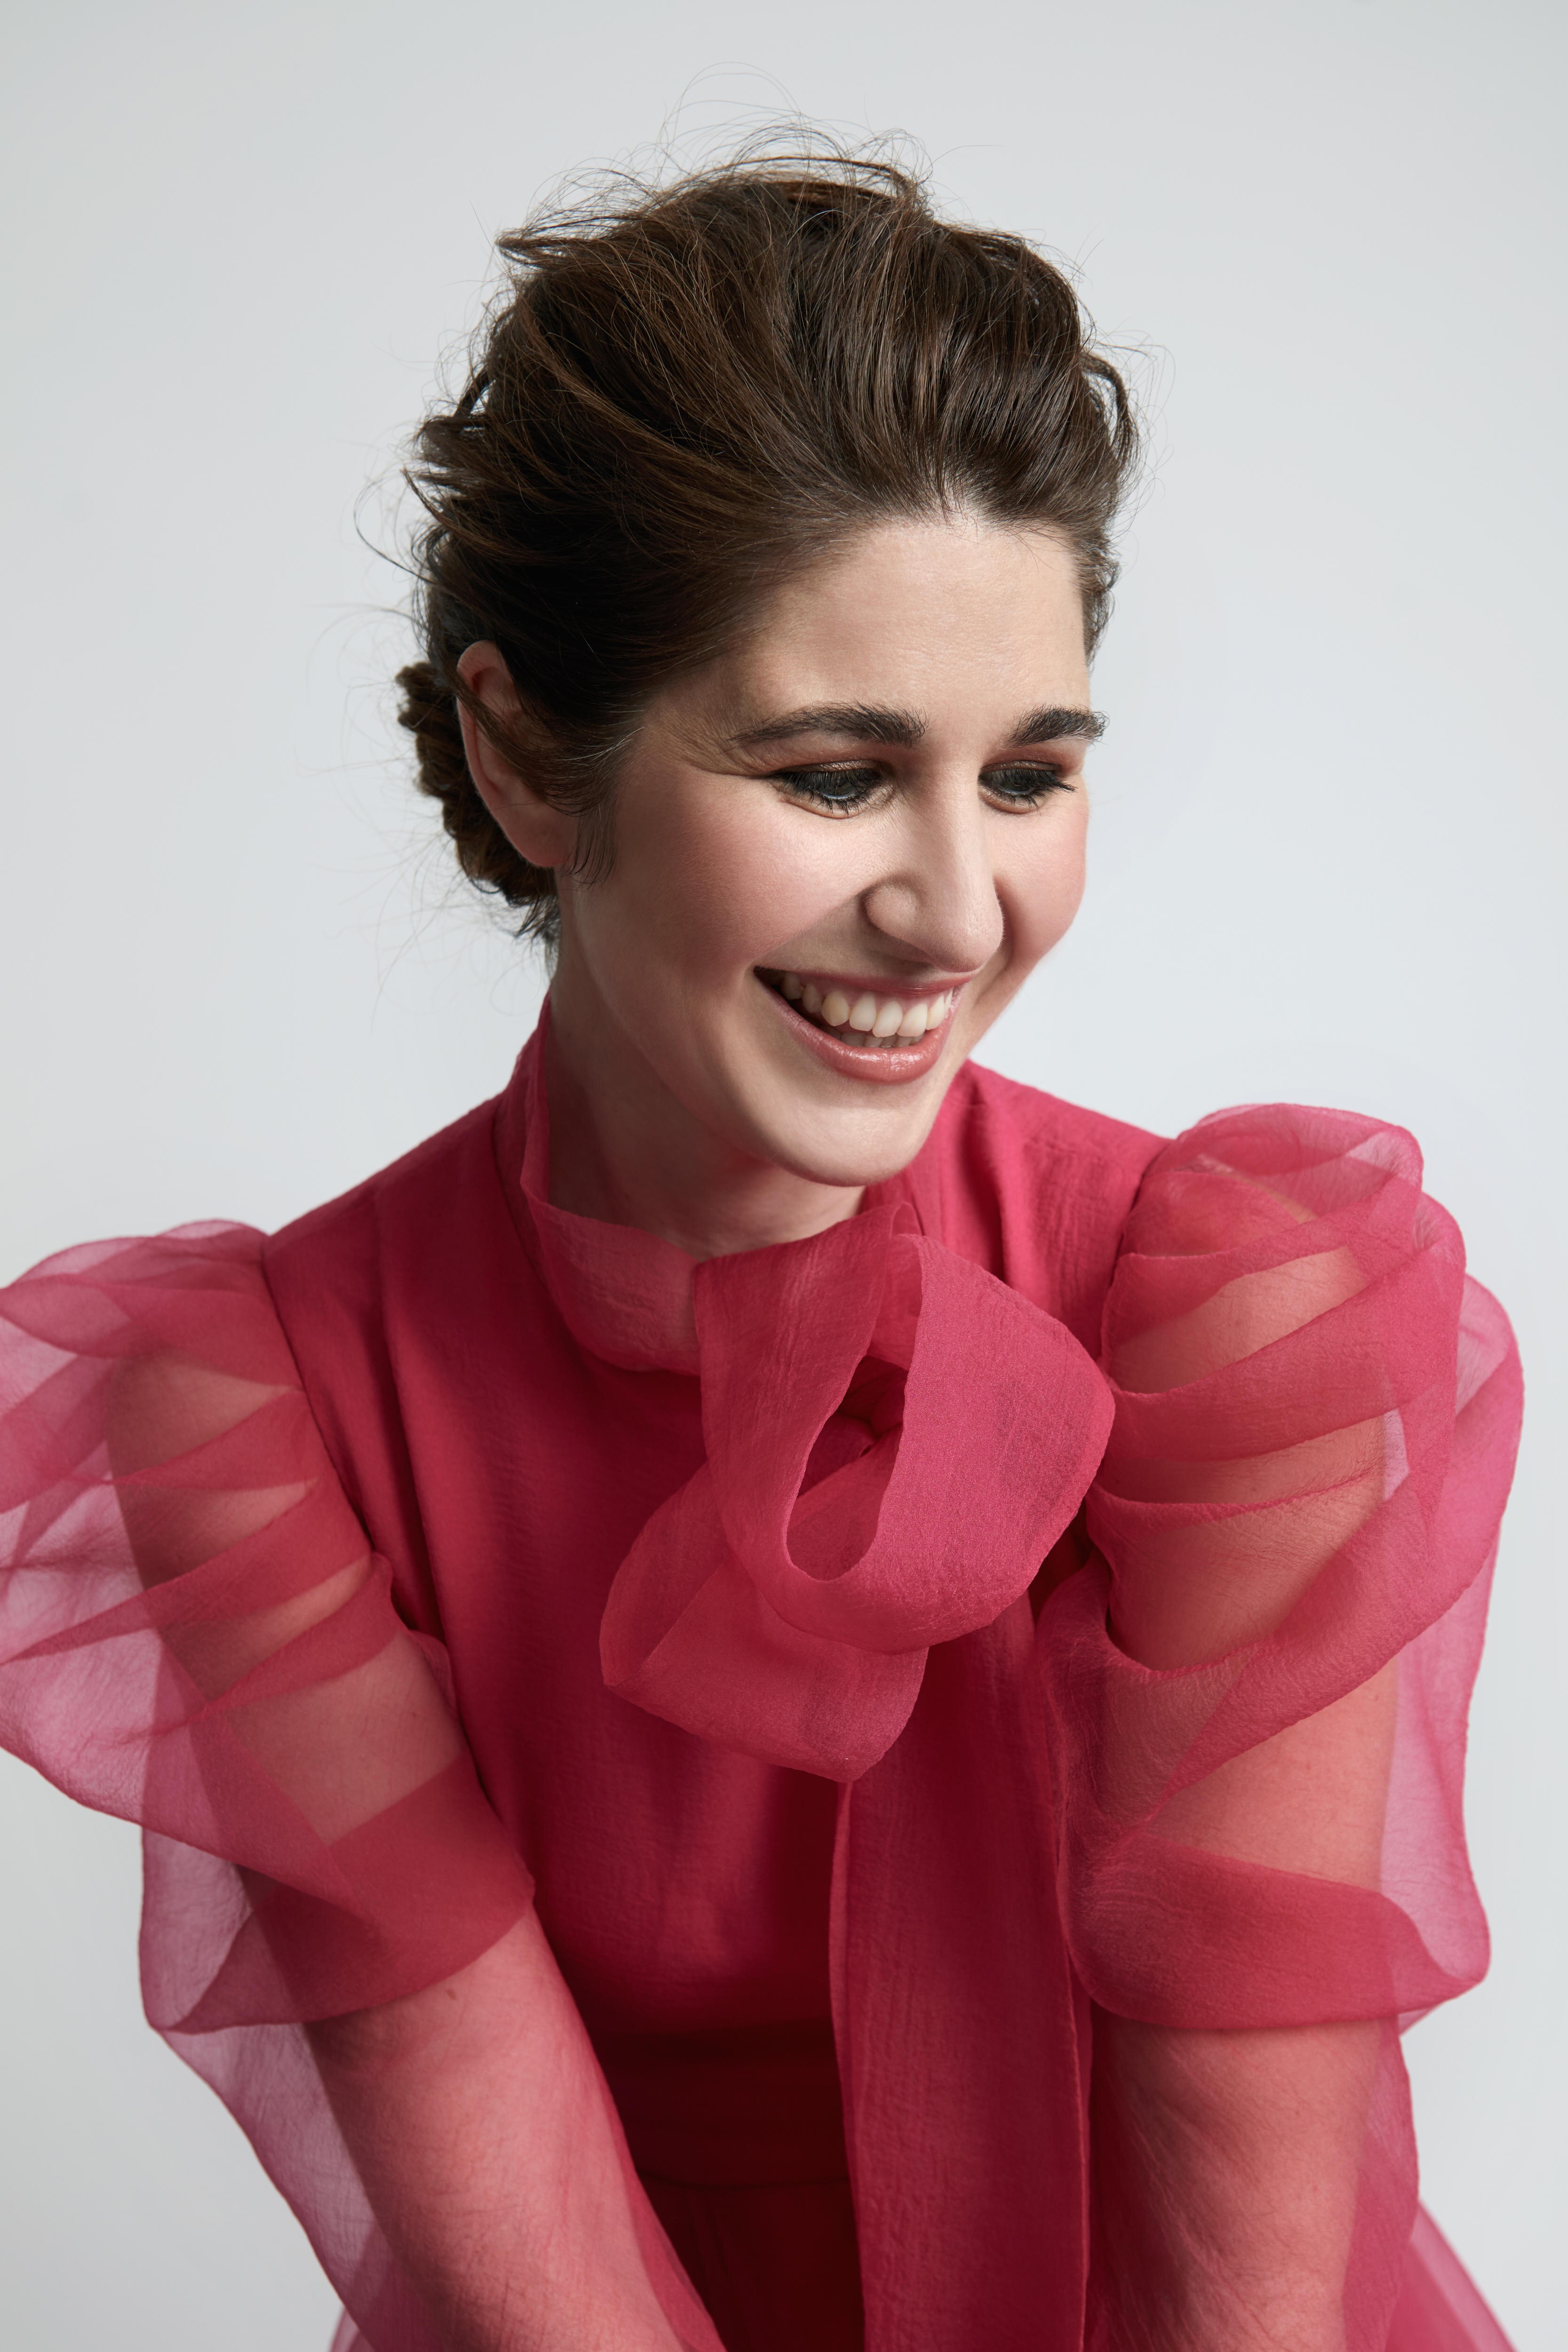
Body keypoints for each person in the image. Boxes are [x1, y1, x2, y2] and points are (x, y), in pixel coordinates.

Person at [0, 147, 1522, 2352]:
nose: (956, 904)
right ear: (527, 755)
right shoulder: (265, 1401)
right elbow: (520, 2231)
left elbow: (1247, 2281)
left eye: (1028, 776)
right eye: (835, 773)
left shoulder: (1229, 1319)